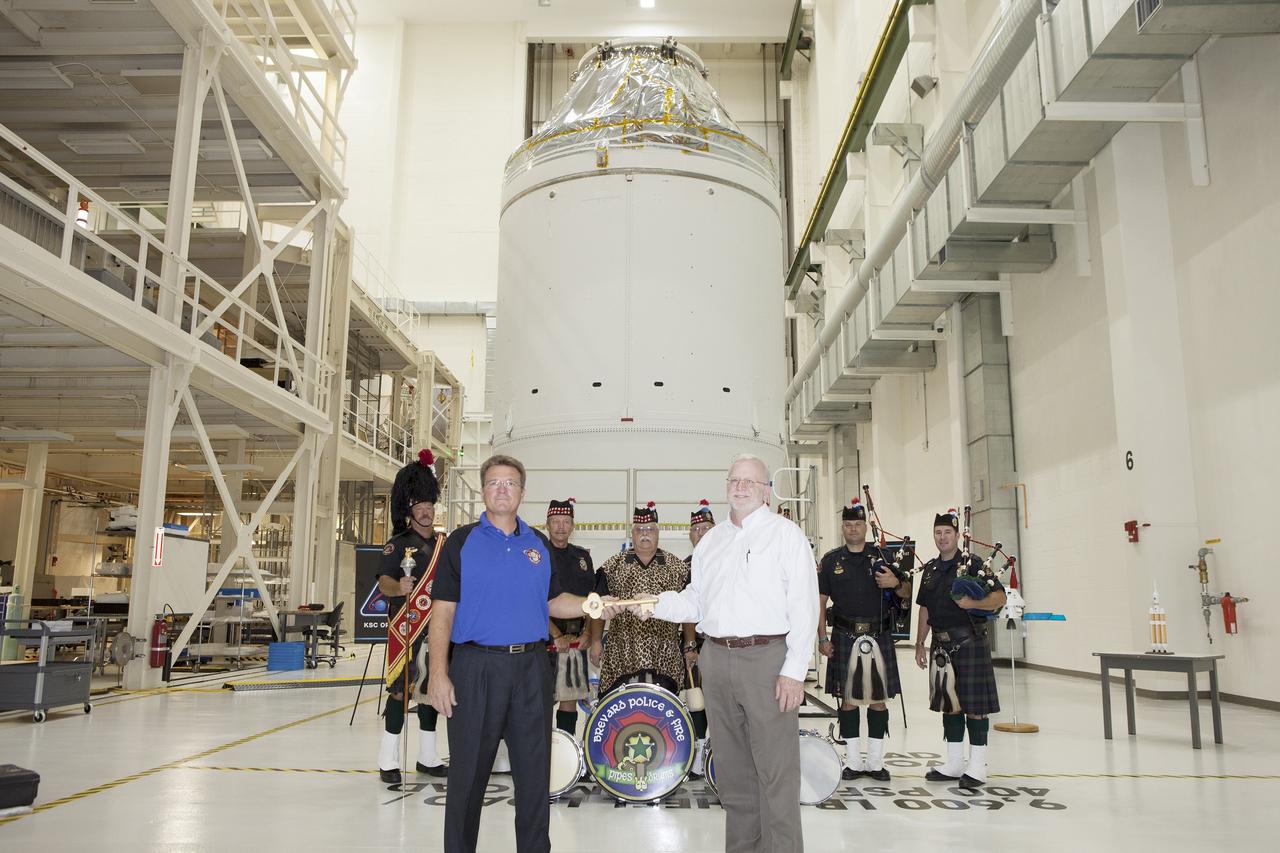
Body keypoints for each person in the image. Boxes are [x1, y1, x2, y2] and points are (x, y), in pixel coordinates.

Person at [613, 454, 818, 853]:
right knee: (734, 774)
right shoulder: (713, 542)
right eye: (734, 480)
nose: (740, 487)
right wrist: (652, 603)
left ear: (766, 491)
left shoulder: (785, 535)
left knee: (776, 774)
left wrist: (795, 670)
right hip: (717, 661)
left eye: (749, 482)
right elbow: (695, 602)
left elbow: (805, 606)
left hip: (767, 660)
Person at [426, 455, 592, 853]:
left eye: (511, 483)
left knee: (535, 776)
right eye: (495, 482)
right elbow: (442, 611)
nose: (503, 489)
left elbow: (554, 601)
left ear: (522, 492)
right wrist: (437, 672)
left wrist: (595, 604)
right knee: (467, 777)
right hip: (475, 668)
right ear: (484, 491)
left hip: (532, 669)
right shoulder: (460, 542)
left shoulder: (537, 544)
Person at [817, 499, 909, 781]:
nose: (853, 529)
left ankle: (876, 761)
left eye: (857, 524)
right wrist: (822, 637)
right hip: (844, 635)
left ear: (865, 527)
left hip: (878, 635)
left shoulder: (884, 557)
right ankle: (853, 761)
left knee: (878, 699)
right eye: (848, 524)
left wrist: (895, 583)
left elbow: (906, 593)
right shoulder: (832, 561)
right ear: (842, 527)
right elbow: (819, 604)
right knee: (848, 699)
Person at [914, 509, 1006, 789]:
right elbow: (925, 609)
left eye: (947, 533)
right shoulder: (929, 570)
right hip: (940, 645)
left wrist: (973, 604)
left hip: (970, 643)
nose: (942, 538)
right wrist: (920, 642)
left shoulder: (973, 565)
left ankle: (977, 767)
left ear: (957, 535)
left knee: (975, 707)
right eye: (938, 532)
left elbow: (999, 597)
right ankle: (954, 763)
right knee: (949, 704)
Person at [375, 449, 446, 784]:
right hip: (406, 627)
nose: (426, 509)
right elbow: (383, 583)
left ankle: (428, 757)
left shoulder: (446, 544)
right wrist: (399, 586)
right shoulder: (396, 544)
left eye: (430, 503)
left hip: (439, 630)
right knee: (400, 693)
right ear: (410, 508)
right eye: (420, 504)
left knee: (433, 690)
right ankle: (388, 760)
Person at [594, 501, 690, 697]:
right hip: (621, 654)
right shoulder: (612, 567)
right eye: (640, 529)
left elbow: (689, 609)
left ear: (658, 533)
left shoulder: (678, 568)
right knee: (620, 715)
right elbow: (598, 606)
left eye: (650, 529)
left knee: (662, 716)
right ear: (633, 533)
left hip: (665, 655)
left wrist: (689, 643)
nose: (645, 533)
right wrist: (596, 641)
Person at [545, 497, 597, 736]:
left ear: (572, 525)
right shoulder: (537, 554)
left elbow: (592, 598)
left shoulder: (582, 557)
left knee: (570, 698)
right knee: (543, 699)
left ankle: (568, 754)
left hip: (577, 639)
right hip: (545, 639)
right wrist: (555, 635)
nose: (561, 526)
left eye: (566, 521)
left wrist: (588, 632)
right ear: (547, 524)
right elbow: (533, 601)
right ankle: (540, 756)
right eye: (556, 521)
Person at [683, 499, 715, 777]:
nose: (701, 534)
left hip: (724, 644)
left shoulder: (728, 560)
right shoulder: (685, 566)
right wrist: (690, 644)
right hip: (697, 643)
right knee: (696, 700)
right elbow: (686, 611)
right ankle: (698, 753)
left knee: (723, 702)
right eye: (696, 530)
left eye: (706, 528)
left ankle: (720, 757)